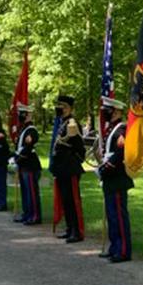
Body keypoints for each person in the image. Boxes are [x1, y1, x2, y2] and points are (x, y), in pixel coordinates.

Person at [97, 96, 133, 263]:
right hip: (110, 177)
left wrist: (106, 168)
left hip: (117, 177)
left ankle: (124, 250)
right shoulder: (111, 128)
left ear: (117, 111)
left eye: (108, 109)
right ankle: (114, 247)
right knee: (111, 215)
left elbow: (120, 153)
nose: (105, 112)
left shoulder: (122, 129)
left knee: (119, 215)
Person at [50, 95, 86, 243]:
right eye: (59, 106)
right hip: (61, 168)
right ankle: (69, 228)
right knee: (65, 201)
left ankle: (77, 231)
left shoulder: (72, 123)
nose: (61, 109)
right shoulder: (62, 123)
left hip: (70, 167)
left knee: (73, 201)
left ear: (70, 108)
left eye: (64, 106)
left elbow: (79, 147)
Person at [13, 103, 42, 225]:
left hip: (30, 165)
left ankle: (35, 215)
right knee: (25, 191)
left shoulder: (32, 130)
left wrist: (18, 159)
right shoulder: (23, 130)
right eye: (20, 113)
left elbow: (28, 147)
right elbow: (19, 147)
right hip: (23, 165)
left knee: (31, 192)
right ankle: (26, 214)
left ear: (29, 115)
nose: (20, 115)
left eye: (23, 113)